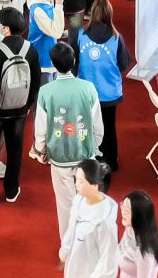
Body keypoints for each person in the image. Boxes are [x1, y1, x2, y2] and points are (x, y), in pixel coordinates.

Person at [32, 41, 104, 237]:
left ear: (53, 65)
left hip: (59, 157)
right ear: (73, 62)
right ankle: (87, 240)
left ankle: (68, 244)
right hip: (85, 154)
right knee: (88, 201)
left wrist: (40, 150)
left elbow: (41, 128)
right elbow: (97, 124)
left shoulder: (46, 91)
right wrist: (94, 147)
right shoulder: (88, 88)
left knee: (65, 205)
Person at [0, 7, 41, 203]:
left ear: (5, 28)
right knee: (15, 151)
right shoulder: (30, 50)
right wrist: (28, 104)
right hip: (19, 110)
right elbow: (36, 81)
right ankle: (11, 190)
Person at [60, 159, 118, 278]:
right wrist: (65, 250)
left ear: (95, 184)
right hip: (79, 274)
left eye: (80, 181)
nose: (76, 184)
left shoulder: (104, 221)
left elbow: (109, 256)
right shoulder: (79, 200)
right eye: (76, 180)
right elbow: (71, 227)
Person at [77, 0, 127, 170]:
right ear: (109, 14)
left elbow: (74, 59)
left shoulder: (81, 35)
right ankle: (111, 161)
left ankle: (90, 161)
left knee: (87, 127)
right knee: (109, 127)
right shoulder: (116, 38)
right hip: (109, 93)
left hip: (87, 93)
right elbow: (123, 64)